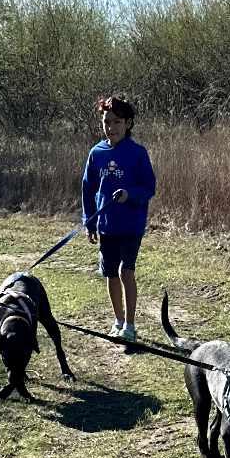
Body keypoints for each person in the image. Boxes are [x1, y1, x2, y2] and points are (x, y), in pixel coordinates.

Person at [81, 95, 155, 342]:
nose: (111, 127)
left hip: (131, 225)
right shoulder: (96, 153)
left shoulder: (137, 153)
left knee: (126, 271)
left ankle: (131, 326)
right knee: (111, 273)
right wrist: (89, 221)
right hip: (106, 226)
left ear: (128, 124)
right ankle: (118, 321)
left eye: (116, 122)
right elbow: (87, 188)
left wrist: (129, 194)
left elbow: (149, 188)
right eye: (106, 122)